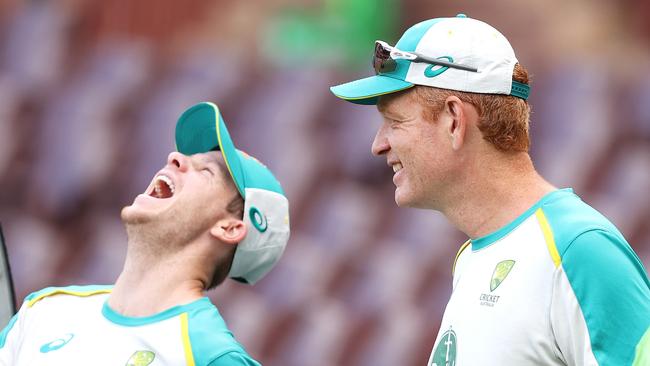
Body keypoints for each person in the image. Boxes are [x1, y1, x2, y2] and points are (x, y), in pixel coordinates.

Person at [330, 14, 650, 366]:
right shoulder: (472, 257)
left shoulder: (579, 249)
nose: (378, 145)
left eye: (395, 122)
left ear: (454, 120)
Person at [0, 102, 290, 365]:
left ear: (228, 228)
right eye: (189, 157)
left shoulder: (211, 356)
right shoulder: (42, 310)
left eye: (206, 171)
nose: (175, 157)